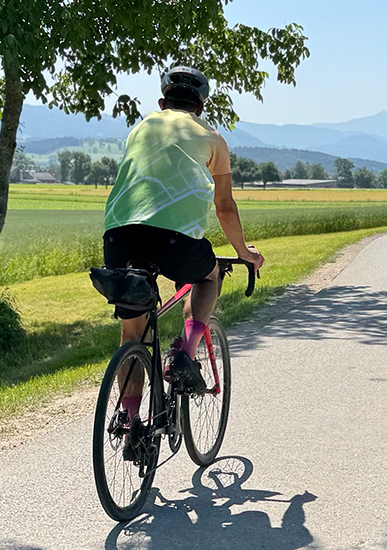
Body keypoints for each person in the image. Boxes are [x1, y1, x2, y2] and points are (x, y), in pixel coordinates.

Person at [101, 66, 264, 423]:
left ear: (162, 103)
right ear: (201, 107)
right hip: (174, 238)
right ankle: (184, 354)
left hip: (118, 234)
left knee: (132, 334)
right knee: (208, 277)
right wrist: (244, 253)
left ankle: (129, 421)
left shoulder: (141, 128)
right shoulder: (214, 139)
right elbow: (224, 207)